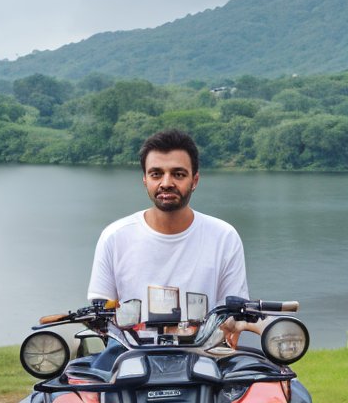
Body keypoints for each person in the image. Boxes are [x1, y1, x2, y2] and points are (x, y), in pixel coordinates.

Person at [88, 128, 249, 345]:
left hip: (204, 361)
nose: (166, 182)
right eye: (156, 174)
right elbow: (103, 316)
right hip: (130, 362)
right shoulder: (115, 237)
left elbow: (232, 317)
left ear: (195, 180)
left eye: (178, 174)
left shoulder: (223, 237)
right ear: (145, 179)